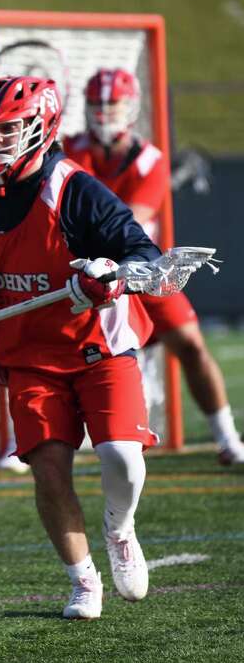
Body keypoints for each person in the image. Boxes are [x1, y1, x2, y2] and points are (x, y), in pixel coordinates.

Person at [0, 76, 162, 619]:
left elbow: (143, 254)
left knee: (122, 459)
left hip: (98, 350)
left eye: (8, 130)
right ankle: (84, 581)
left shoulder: (74, 189)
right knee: (48, 467)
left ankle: (120, 528)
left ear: (41, 127)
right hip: (27, 361)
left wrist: (109, 274)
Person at [64, 68, 244, 466]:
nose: (104, 112)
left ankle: (227, 438)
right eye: (97, 103)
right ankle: (55, 438)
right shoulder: (71, 151)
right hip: (89, 276)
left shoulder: (149, 160)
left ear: (131, 107)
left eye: (112, 103)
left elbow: (126, 223)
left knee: (192, 345)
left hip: (143, 272)